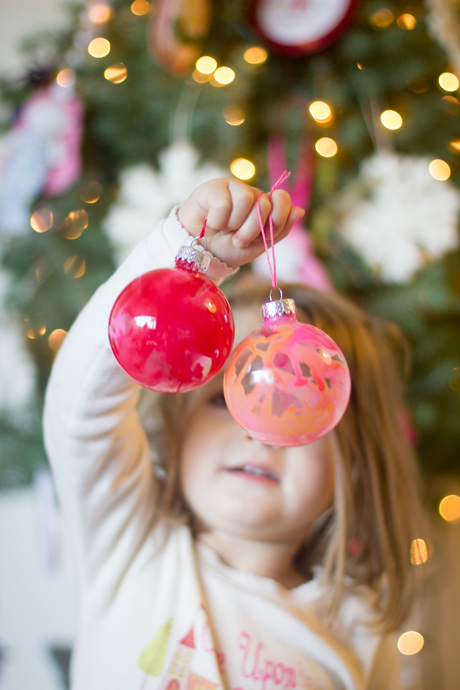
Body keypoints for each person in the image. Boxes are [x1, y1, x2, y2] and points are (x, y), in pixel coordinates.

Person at [44, 178, 425, 690]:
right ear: (178, 427)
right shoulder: (133, 544)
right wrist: (190, 260)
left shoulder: (359, 628)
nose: (258, 433)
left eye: (299, 409)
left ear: (355, 461)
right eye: (226, 401)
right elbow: (80, 410)